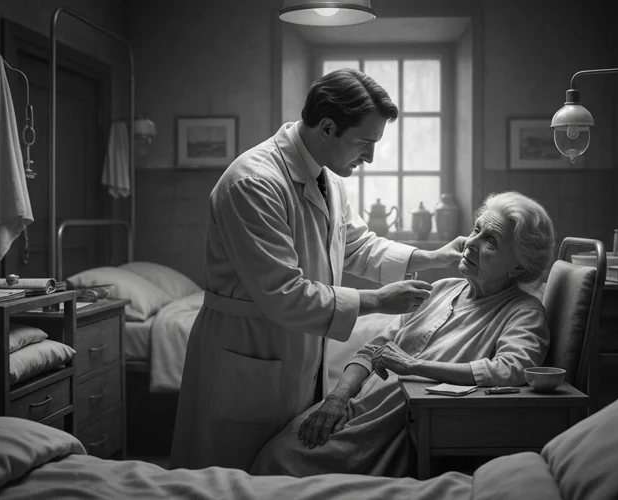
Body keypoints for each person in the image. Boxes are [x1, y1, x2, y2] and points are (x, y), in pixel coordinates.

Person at [170, 68, 469, 472]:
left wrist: (434, 257)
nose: (371, 156)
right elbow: (283, 292)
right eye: (365, 142)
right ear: (327, 127)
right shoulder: (254, 182)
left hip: (295, 349)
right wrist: (376, 300)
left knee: (280, 471)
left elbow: (358, 246)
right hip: (248, 347)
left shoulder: (328, 177)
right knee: (227, 476)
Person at [250, 191, 556, 478]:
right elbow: (372, 349)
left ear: (518, 266)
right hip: (356, 405)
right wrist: (337, 398)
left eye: (490, 240)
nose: (471, 243)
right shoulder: (440, 289)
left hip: (396, 428)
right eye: (476, 230)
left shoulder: (524, 312)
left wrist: (414, 367)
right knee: (273, 455)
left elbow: (512, 370)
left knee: (280, 465)